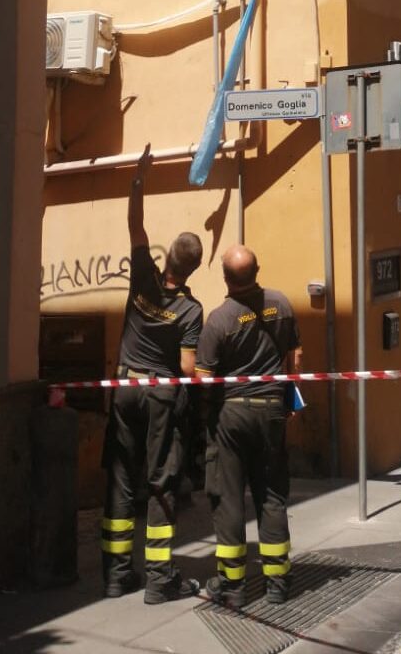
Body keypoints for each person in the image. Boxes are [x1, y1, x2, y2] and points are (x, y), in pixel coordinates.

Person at [101, 144, 204, 603]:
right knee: (161, 482)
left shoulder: (142, 275)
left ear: (167, 260)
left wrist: (139, 179)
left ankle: (117, 574)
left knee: (122, 479)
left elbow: (135, 225)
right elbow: (185, 368)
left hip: (124, 387)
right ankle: (160, 579)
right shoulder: (191, 309)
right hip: (160, 397)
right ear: (193, 268)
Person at [197, 245, 302, 608]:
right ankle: (278, 581)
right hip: (273, 408)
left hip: (232, 414)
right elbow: (296, 356)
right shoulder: (282, 305)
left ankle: (233, 585)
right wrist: (289, 397)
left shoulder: (220, 319)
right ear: (258, 270)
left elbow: (203, 378)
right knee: (271, 494)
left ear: (226, 278)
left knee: (229, 499)